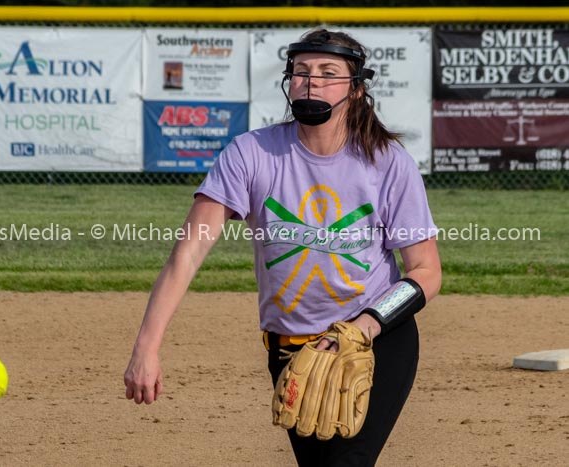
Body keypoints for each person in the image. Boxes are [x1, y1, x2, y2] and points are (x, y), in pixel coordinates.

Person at [125, 28, 442, 466]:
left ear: (356, 88)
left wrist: (366, 325)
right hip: (291, 349)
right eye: (302, 71)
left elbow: (426, 271)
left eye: (328, 72)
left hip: (372, 343)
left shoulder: (387, 161)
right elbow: (187, 254)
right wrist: (146, 347)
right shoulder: (251, 154)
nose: (311, 81)